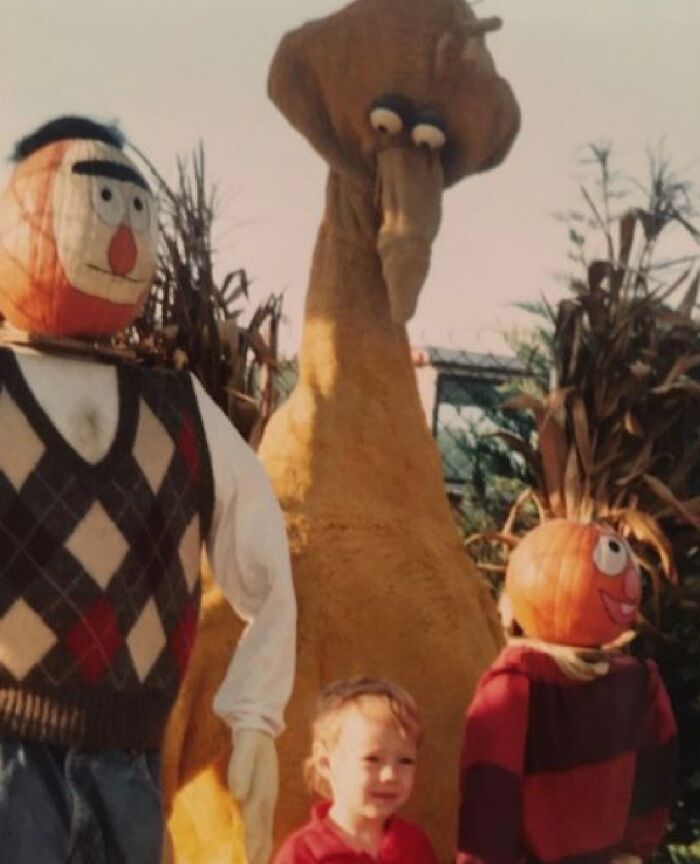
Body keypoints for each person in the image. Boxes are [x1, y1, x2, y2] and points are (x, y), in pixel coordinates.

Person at [0, 115, 295, 863]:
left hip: (131, 766)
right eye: (96, 204)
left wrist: (256, 718)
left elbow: (266, 568)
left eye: (135, 209)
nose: (119, 232)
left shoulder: (181, 410)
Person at [457, 519, 677, 864]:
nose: (629, 582)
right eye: (611, 562)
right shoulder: (519, 681)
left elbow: (654, 772)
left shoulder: (637, 681)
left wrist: (633, 850)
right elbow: (490, 795)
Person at [273, 676, 438, 863]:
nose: (390, 775)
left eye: (405, 761)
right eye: (372, 759)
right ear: (326, 763)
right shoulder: (305, 853)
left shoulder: (413, 844)